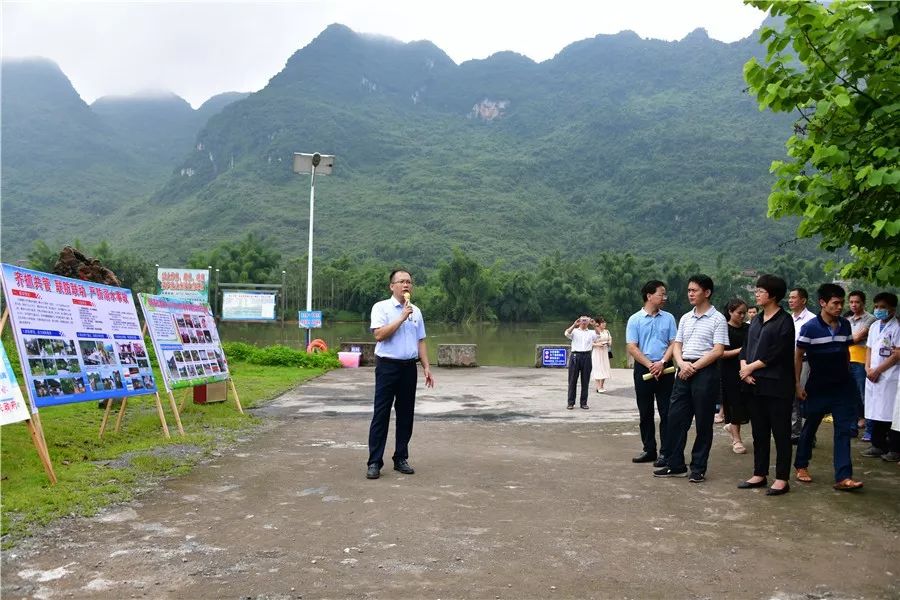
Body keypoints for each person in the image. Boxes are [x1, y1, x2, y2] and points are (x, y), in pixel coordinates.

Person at [653, 274, 728, 482]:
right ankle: (675, 464)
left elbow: (718, 350)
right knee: (675, 418)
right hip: (683, 369)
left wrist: (693, 367)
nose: (690, 294)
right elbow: (677, 344)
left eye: (694, 290)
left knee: (703, 422)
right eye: (689, 290)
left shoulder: (718, 319)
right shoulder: (686, 317)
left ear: (707, 292)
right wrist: (682, 364)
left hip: (705, 371)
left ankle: (698, 467)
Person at [793, 284, 863, 491]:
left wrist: (848, 373)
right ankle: (801, 465)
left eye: (842, 303)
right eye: (835, 303)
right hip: (818, 387)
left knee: (843, 430)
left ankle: (843, 476)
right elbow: (798, 356)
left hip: (842, 387)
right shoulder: (810, 328)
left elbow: (846, 352)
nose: (840, 307)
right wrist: (798, 384)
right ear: (823, 303)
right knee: (811, 426)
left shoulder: (845, 325)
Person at [366, 269, 435, 480]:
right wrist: (401, 317)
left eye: (409, 282)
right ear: (392, 286)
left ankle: (401, 458)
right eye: (402, 282)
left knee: (406, 415)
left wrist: (426, 366)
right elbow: (379, 335)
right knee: (381, 414)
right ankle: (374, 462)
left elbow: (420, 340)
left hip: (408, 368)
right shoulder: (381, 308)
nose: (406, 285)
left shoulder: (417, 311)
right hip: (387, 367)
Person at [737, 274, 796, 496]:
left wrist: (751, 368)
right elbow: (745, 347)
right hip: (753, 384)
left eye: (760, 291)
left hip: (777, 385)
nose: (756, 294)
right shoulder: (756, 320)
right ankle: (759, 474)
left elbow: (778, 353)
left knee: (780, 433)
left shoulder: (784, 320)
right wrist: (745, 368)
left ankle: (782, 478)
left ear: (771, 295)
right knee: (759, 432)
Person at [626, 280, 677, 465]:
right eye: (661, 294)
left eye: (665, 294)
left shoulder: (669, 318)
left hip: (666, 368)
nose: (665, 298)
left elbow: (674, 343)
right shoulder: (635, 319)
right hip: (644, 368)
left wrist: (662, 362)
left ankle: (666, 452)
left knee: (667, 412)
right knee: (645, 411)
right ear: (649, 296)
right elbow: (632, 347)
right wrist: (650, 365)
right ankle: (649, 450)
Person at [861, 292, 900, 461]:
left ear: (892, 308)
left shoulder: (897, 327)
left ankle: (893, 448)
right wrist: (868, 367)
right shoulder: (875, 326)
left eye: (883, 307)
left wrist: (878, 370)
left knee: (891, 413)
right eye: (876, 307)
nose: (878, 310)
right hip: (872, 374)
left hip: (889, 375)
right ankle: (877, 445)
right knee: (875, 410)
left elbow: (897, 354)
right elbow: (869, 348)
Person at [720, 298, 750, 454]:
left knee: (746, 403)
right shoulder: (723, 329)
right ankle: (736, 439)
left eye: (744, 313)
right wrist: (740, 351)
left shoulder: (748, 328)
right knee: (734, 404)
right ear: (730, 312)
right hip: (729, 371)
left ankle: (732, 427)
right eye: (739, 313)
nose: (742, 316)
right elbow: (719, 353)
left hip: (747, 370)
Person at [847, 291, 876, 440]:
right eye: (851, 302)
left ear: (863, 303)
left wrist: (845, 338)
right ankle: (852, 427)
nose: (853, 305)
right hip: (847, 360)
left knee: (865, 395)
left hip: (862, 360)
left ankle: (870, 429)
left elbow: (857, 337)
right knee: (851, 396)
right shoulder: (848, 319)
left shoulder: (871, 319)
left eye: (857, 302)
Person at [788, 287, 815, 443]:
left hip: (806, 361)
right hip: (790, 362)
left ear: (803, 300)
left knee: (804, 395)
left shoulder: (811, 319)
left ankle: (809, 435)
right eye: (789, 298)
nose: (790, 300)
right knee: (792, 398)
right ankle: (796, 432)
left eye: (794, 297)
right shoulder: (788, 319)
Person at [565, 316, 602, 409]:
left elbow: (598, 335)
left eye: (586, 320)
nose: (584, 322)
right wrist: (574, 324)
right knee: (572, 380)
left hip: (586, 356)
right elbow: (566, 333)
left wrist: (594, 325)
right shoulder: (574, 331)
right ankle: (570, 402)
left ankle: (583, 402)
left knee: (585, 381)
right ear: (579, 321)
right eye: (582, 320)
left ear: (589, 321)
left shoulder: (591, 332)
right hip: (575, 356)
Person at [591, 316, 612, 393]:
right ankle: (598, 386)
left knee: (605, 368)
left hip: (605, 351)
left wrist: (609, 343)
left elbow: (610, 339)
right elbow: (590, 343)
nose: (604, 324)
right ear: (598, 324)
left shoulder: (607, 331)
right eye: (602, 322)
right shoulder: (594, 332)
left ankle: (602, 385)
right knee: (597, 368)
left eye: (604, 322)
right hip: (597, 352)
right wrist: (597, 345)